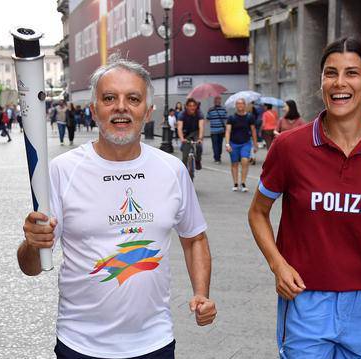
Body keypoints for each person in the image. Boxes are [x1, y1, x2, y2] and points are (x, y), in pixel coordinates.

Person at [18, 55, 216, 359]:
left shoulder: (172, 170)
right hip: (81, 344)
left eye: (133, 99)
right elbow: (31, 267)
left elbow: (195, 239)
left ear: (148, 111)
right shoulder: (61, 171)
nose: (121, 106)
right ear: (94, 109)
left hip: (154, 342)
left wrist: (201, 293)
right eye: (109, 98)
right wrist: (32, 244)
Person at [249, 37, 361, 359]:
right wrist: (277, 264)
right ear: (321, 80)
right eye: (330, 73)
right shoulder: (289, 146)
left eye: (351, 73)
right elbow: (258, 213)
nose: (340, 83)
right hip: (305, 301)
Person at [225, 98, 257, 192]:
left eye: (242, 104)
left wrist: (255, 144)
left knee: (245, 160)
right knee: (234, 163)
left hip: (245, 143)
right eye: (238, 104)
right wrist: (227, 144)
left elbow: (253, 130)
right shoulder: (231, 118)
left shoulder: (249, 117)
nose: (240, 105)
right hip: (233, 143)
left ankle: (243, 182)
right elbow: (228, 131)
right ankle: (235, 183)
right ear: (236, 106)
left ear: (245, 105)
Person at [177, 97, 204, 172]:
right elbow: (179, 128)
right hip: (186, 134)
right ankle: (184, 173)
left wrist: (200, 138)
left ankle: (198, 161)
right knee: (185, 157)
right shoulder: (182, 114)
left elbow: (201, 126)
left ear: (196, 106)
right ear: (186, 106)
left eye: (193, 105)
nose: (192, 107)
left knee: (199, 146)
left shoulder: (199, 113)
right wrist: (182, 139)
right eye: (190, 105)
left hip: (196, 132)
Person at [205, 96, 228, 163]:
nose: (217, 101)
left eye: (218, 100)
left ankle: (218, 157)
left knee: (218, 145)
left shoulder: (222, 109)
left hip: (219, 130)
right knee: (216, 145)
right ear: (214, 101)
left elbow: (208, 119)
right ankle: (217, 158)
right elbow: (226, 119)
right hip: (215, 131)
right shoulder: (212, 110)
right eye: (216, 100)